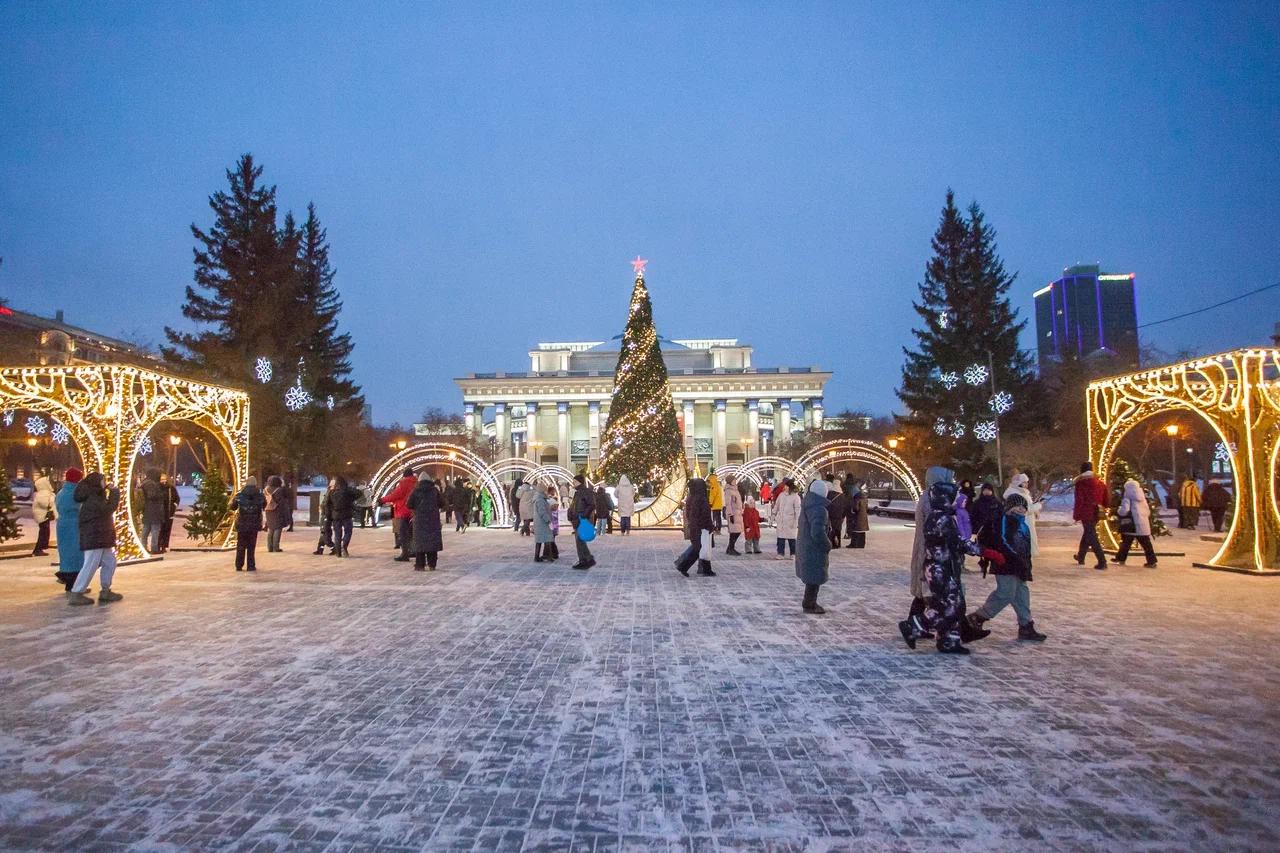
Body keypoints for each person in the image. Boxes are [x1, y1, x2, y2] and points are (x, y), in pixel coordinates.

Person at [898, 474, 984, 654]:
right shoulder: (940, 518)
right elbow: (955, 542)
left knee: (954, 603)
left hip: (941, 566)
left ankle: (949, 640)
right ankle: (914, 625)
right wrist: (977, 549)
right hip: (939, 568)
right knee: (948, 604)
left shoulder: (940, 516)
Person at [968, 493, 1047, 641]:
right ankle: (978, 617)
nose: (1021, 510)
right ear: (1010, 507)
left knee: (1021, 595)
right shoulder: (1004, 520)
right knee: (1006, 593)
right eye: (1017, 507)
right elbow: (1002, 541)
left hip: (1019, 565)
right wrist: (1014, 558)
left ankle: (1026, 625)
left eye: (1023, 507)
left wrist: (1026, 565)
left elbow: (1025, 547)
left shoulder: (1022, 524)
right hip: (1005, 564)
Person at [67, 473, 123, 605]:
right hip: (95, 537)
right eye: (103, 480)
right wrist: (115, 493)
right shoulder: (93, 498)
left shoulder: (97, 496)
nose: (105, 483)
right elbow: (108, 509)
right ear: (97, 483)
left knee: (110, 562)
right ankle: (77, 592)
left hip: (101, 537)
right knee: (90, 565)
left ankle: (105, 590)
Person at [796, 479, 833, 614]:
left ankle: (809, 602)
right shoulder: (819, 509)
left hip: (806, 546)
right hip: (814, 548)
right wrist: (827, 544)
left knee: (812, 577)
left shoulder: (807, 506)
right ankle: (809, 604)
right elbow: (817, 532)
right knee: (814, 577)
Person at [1072, 461, 1109, 570]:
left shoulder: (1081, 483)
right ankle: (1081, 556)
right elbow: (1106, 498)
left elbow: (1079, 500)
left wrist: (1076, 514)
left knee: (1091, 536)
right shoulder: (1100, 482)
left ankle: (1102, 561)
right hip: (1097, 511)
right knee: (1088, 533)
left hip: (1086, 511)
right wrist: (1105, 506)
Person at [1113, 478, 1158, 567]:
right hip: (1142, 524)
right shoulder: (1142, 497)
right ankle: (1152, 561)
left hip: (1131, 524)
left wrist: (1119, 510)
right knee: (1146, 544)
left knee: (1126, 542)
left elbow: (1124, 510)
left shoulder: (1127, 497)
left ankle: (1120, 558)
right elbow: (1147, 511)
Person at [675, 477, 715, 576]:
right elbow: (702, 514)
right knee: (699, 548)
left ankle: (706, 569)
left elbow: (690, 514)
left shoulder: (692, 497)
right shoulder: (700, 498)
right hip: (701, 527)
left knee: (703, 547)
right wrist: (707, 526)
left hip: (697, 527)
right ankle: (682, 565)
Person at [53, 468, 84, 590]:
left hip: (62, 525)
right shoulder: (75, 493)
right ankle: (73, 584)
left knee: (65, 553)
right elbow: (79, 507)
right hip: (74, 525)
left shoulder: (62, 492)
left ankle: (68, 579)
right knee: (76, 554)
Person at [406, 472, 443, 570]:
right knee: (432, 543)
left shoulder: (415, 491)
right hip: (432, 520)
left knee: (420, 543)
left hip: (420, 521)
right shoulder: (434, 491)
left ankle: (420, 565)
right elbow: (442, 503)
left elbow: (409, 504)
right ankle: (432, 565)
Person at [379, 467, 417, 562]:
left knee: (403, 533)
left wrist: (382, 500)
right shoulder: (416, 483)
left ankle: (405, 554)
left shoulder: (403, 483)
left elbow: (395, 495)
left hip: (403, 511)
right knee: (412, 533)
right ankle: (413, 550)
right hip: (413, 511)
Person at [231, 476, 266, 571]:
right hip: (254, 523)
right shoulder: (260, 495)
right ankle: (250, 565)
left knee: (241, 544)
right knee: (251, 545)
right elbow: (264, 505)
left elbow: (232, 507)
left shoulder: (239, 495)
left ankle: (239, 565)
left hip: (242, 522)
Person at [1003, 473, 1040, 557]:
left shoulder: (1023, 492)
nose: (1026, 484)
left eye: (1027, 482)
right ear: (1018, 483)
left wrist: (1036, 510)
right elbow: (1024, 509)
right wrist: (1038, 505)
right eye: (1024, 482)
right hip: (1022, 521)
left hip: (1027, 520)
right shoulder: (1016, 494)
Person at [970, 483, 1004, 573]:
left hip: (994, 531)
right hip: (982, 531)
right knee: (984, 549)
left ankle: (994, 566)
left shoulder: (997, 503)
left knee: (994, 548)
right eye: (985, 490)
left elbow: (1001, 516)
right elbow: (973, 516)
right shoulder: (977, 503)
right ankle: (983, 564)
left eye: (989, 490)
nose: (987, 492)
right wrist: (975, 529)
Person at [567, 474, 596, 570]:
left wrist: (584, 515)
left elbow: (591, 505)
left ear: (580, 482)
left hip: (582, 519)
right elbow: (575, 505)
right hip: (577, 518)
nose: (573, 483)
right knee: (579, 540)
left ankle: (585, 560)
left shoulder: (586, 492)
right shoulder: (578, 492)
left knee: (580, 540)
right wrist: (570, 513)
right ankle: (586, 559)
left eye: (575, 481)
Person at [327, 476, 360, 557]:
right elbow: (359, 493)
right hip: (346, 515)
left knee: (337, 533)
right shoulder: (347, 492)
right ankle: (344, 545)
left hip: (336, 515)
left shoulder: (331, 492)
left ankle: (338, 552)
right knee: (348, 531)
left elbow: (327, 504)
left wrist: (329, 515)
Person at [772, 478, 801, 559]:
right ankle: (780, 553)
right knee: (780, 538)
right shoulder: (781, 495)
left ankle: (793, 553)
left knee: (792, 539)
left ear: (790, 487)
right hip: (781, 520)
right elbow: (776, 506)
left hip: (790, 520)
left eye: (786, 486)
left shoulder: (796, 497)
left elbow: (797, 510)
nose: (785, 487)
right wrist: (773, 516)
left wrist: (796, 521)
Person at [138, 469, 165, 553]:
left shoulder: (144, 483)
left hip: (148, 510)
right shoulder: (151, 484)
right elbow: (152, 495)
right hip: (153, 510)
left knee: (146, 529)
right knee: (155, 530)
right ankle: (154, 548)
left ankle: (143, 547)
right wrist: (161, 492)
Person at [31, 474, 56, 557]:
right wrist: (51, 500)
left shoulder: (43, 493)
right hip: (43, 516)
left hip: (43, 515)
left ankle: (40, 548)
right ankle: (38, 549)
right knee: (43, 533)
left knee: (44, 532)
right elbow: (44, 503)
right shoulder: (44, 493)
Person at [264, 475, 288, 552]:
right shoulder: (279, 490)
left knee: (270, 528)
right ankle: (276, 547)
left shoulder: (266, 489)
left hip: (268, 510)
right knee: (278, 528)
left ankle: (269, 547)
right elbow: (281, 502)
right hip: (277, 510)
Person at [158, 473, 180, 551]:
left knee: (167, 529)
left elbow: (177, 498)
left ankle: (164, 545)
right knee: (160, 529)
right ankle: (158, 545)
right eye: (161, 479)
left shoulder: (171, 488)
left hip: (169, 511)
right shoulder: (158, 488)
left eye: (164, 479)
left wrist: (174, 505)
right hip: (160, 512)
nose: (163, 481)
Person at [533, 485, 554, 562]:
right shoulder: (540, 500)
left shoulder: (541, 499)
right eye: (545, 490)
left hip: (540, 523)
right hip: (542, 523)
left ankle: (538, 556)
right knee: (546, 539)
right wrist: (548, 519)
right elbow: (542, 512)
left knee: (541, 540)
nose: (546, 492)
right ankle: (548, 556)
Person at [723, 475, 744, 555]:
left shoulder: (735, 489)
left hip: (738, 513)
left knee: (737, 531)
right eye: (733, 480)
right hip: (733, 513)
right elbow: (728, 504)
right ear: (730, 481)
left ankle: (730, 548)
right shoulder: (728, 490)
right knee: (734, 532)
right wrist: (730, 514)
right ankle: (731, 548)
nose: (735, 481)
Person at [825, 477, 848, 549]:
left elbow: (827, 503)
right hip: (839, 514)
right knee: (838, 529)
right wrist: (843, 514)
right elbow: (845, 505)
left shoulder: (830, 493)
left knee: (831, 528)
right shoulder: (842, 495)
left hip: (831, 513)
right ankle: (838, 543)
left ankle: (831, 542)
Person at [313, 483, 335, 556]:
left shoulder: (333, 494)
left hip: (327, 515)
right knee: (323, 533)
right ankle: (320, 549)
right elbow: (324, 503)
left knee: (325, 533)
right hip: (324, 514)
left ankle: (335, 548)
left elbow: (328, 505)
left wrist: (323, 509)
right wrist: (321, 508)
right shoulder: (329, 492)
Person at [544, 485, 561, 560]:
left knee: (549, 539)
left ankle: (552, 553)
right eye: (553, 491)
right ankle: (552, 553)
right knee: (551, 539)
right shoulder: (552, 500)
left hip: (550, 523)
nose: (554, 492)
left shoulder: (547, 500)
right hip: (554, 523)